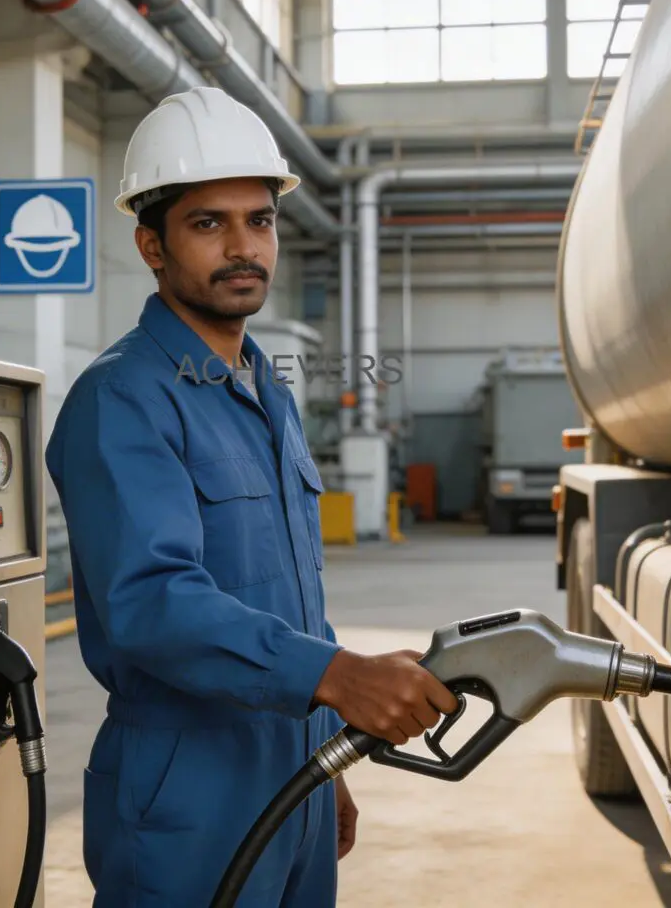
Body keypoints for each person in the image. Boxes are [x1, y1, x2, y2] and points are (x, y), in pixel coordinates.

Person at [45, 87, 458, 907]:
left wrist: (326, 755)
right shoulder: (123, 398)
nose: (243, 247)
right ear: (152, 245)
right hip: (186, 790)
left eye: (259, 220)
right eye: (208, 223)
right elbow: (153, 604)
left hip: (293, 771)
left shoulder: (265, 389)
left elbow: (295, 593)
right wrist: (339, 676)